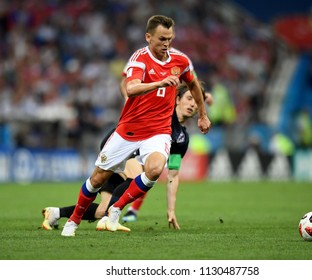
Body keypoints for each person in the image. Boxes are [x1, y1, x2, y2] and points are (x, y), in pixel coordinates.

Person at [60, 15, 211, 236]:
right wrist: (160, 82)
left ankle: (116, 211)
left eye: (169, 38)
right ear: (148, 37)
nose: (166, 44)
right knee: (97, 179)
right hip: (129, 130)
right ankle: (72, 221)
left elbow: (194, 85)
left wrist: (203, 115)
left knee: (154, 169)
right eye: (161, 39)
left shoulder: (180, 61)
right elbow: (131, 88)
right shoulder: (139, 58)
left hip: (158, 131)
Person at [42, 83, 211, 231]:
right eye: (189, 98)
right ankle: (110, 219)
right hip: (120, 145)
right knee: (137, 175)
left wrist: (171, 210)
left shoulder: (182, 139)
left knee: (102, 209)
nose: (193, 104)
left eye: (197, 102)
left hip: (133, 159)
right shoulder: (162, 111)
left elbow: (173, 175)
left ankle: (55, 213)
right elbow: (143, 88)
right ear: (176, 99)